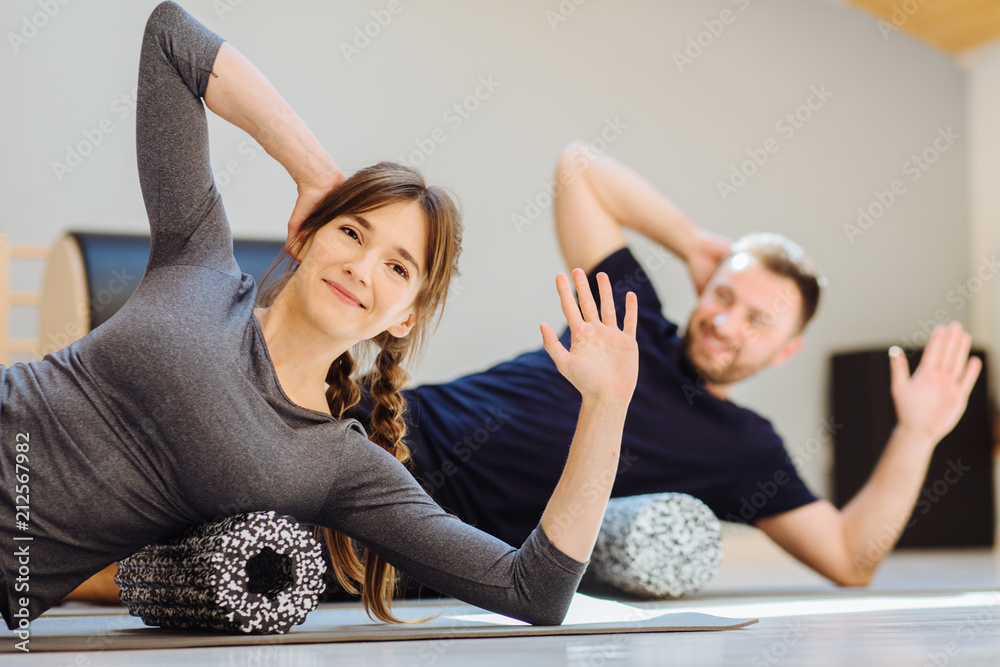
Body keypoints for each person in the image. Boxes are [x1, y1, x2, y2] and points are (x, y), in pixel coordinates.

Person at [0, 2, 641, 631]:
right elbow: (172, 39)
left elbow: (535, 590)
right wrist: (315, 172)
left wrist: (607, 405)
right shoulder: (197, 263)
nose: (363, 269)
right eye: (353, 233)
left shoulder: (336, 466)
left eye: (398, 268)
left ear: (404, 319)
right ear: (305, 235)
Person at [350, 143, 983, 589]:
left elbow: (850, 558)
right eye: (725, 295)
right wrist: (693, 242)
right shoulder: (636, 316)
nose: (727, 322)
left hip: (430, 536)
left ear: (786, 350)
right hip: (380, 428)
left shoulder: (745, 449)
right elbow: (580, 168)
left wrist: (916, 433)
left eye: (759, 320)